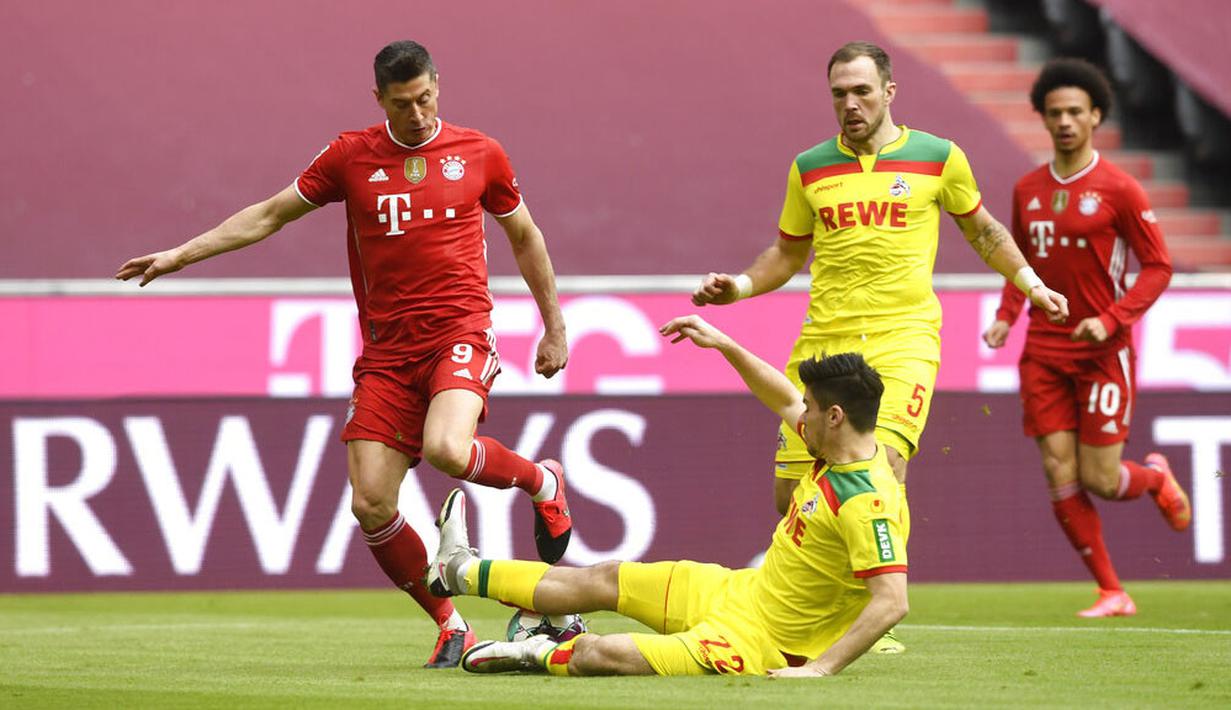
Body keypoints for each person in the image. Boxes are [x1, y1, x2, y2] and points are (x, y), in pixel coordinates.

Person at [115, 41, 574, 667]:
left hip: (459, 332)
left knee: (445, 448)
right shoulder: (350, 157)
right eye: (402, 103)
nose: (416, 113)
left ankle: (541, 481)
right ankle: (450, 623)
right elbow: (270, 215)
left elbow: (525, 235)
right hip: (387, 355)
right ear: (379, 99)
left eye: (426, 98)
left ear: (438, 85)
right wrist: (179, 254)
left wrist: (555, 327)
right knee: (371, 503)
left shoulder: (480, 153)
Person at [692, 41, 1068, 653]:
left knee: (878, 468)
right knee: (792, 495)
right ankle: (823, 613)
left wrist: (1029, 282)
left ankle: (868, 615)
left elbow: (983, 230)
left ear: (889, 92)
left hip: (903, 340)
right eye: (839, 93)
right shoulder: (810, 166)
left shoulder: (938, 157)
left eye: (862, 91)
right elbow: (788, 253)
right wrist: (735, 287)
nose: (851, 103)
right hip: (825, 343)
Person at [426, 314, 909, 678]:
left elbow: (892, 602)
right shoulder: (833, 447)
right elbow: (782, 396)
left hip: (758, 641)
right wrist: (723, 344)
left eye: (812, 407)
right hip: (738, 591)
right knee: (606, 577)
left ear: (836, 416)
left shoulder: (868, 500)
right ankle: (458, 570)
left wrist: (820, 669)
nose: (800, 416)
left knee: (601, 652)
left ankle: (538, 652)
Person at [981, 58, 1189, 618]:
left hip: (1103, 351)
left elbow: (1159, 266)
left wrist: (1115, 318)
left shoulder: (1120, 189)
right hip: (1043, 351)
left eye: (1076, 111)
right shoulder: (1027, 190)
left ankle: (1152, 478)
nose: (1065, 121)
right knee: (1057, 469)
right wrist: (1007, 314)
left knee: (1100, 479)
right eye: (1055, 113)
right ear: (1043, 121)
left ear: (1096, 116)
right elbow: (1018, 262)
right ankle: (1111, 590)